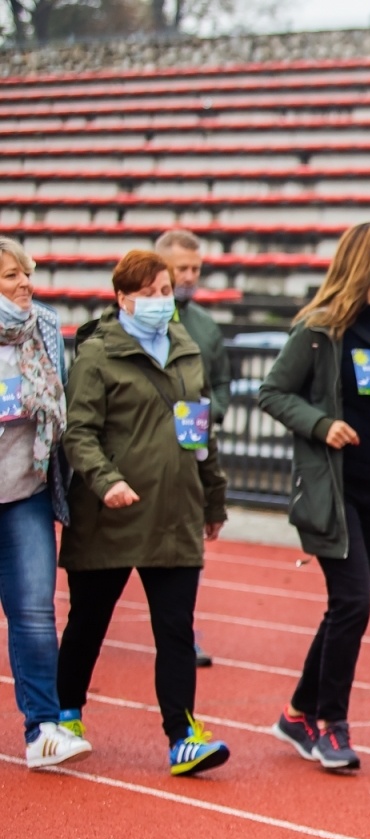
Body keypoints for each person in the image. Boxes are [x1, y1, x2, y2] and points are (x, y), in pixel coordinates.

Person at [257, 222, 370, 772]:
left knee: (346, 607)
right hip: (336, 491)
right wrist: (320, 424)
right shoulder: (320, 328)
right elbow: (273, 392)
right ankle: (331, 723)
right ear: (365, 262)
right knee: (354, 603)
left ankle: (295, 713)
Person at [56, 248, 230, 775]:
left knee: (176, 629)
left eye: (165, 291)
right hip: (112, 513)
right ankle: (65, 715)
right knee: (88, 621)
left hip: (174, 511)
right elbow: (78, 432)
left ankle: (182, 736)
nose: (161, 301)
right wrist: (107, 482)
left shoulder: (185, 348)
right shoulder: (97, 355)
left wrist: (213, 495)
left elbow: (198, 430)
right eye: (150, 293)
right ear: (122, 298)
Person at [0, 237, 87, 769]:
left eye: (26, 275)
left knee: (34, 611)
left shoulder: (46, 327)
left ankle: (44, 729)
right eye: (11, 276)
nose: (25, 284)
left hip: (25, 489)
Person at [155, 228, 228, 669]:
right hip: (140, 455)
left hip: (189, 456)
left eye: (195, 268)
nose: (189, 276)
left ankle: (184, 632)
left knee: (186, 552)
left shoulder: (206, 326)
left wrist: (207, 411)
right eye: (181, 267)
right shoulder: (140, 318)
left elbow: (220, 383)